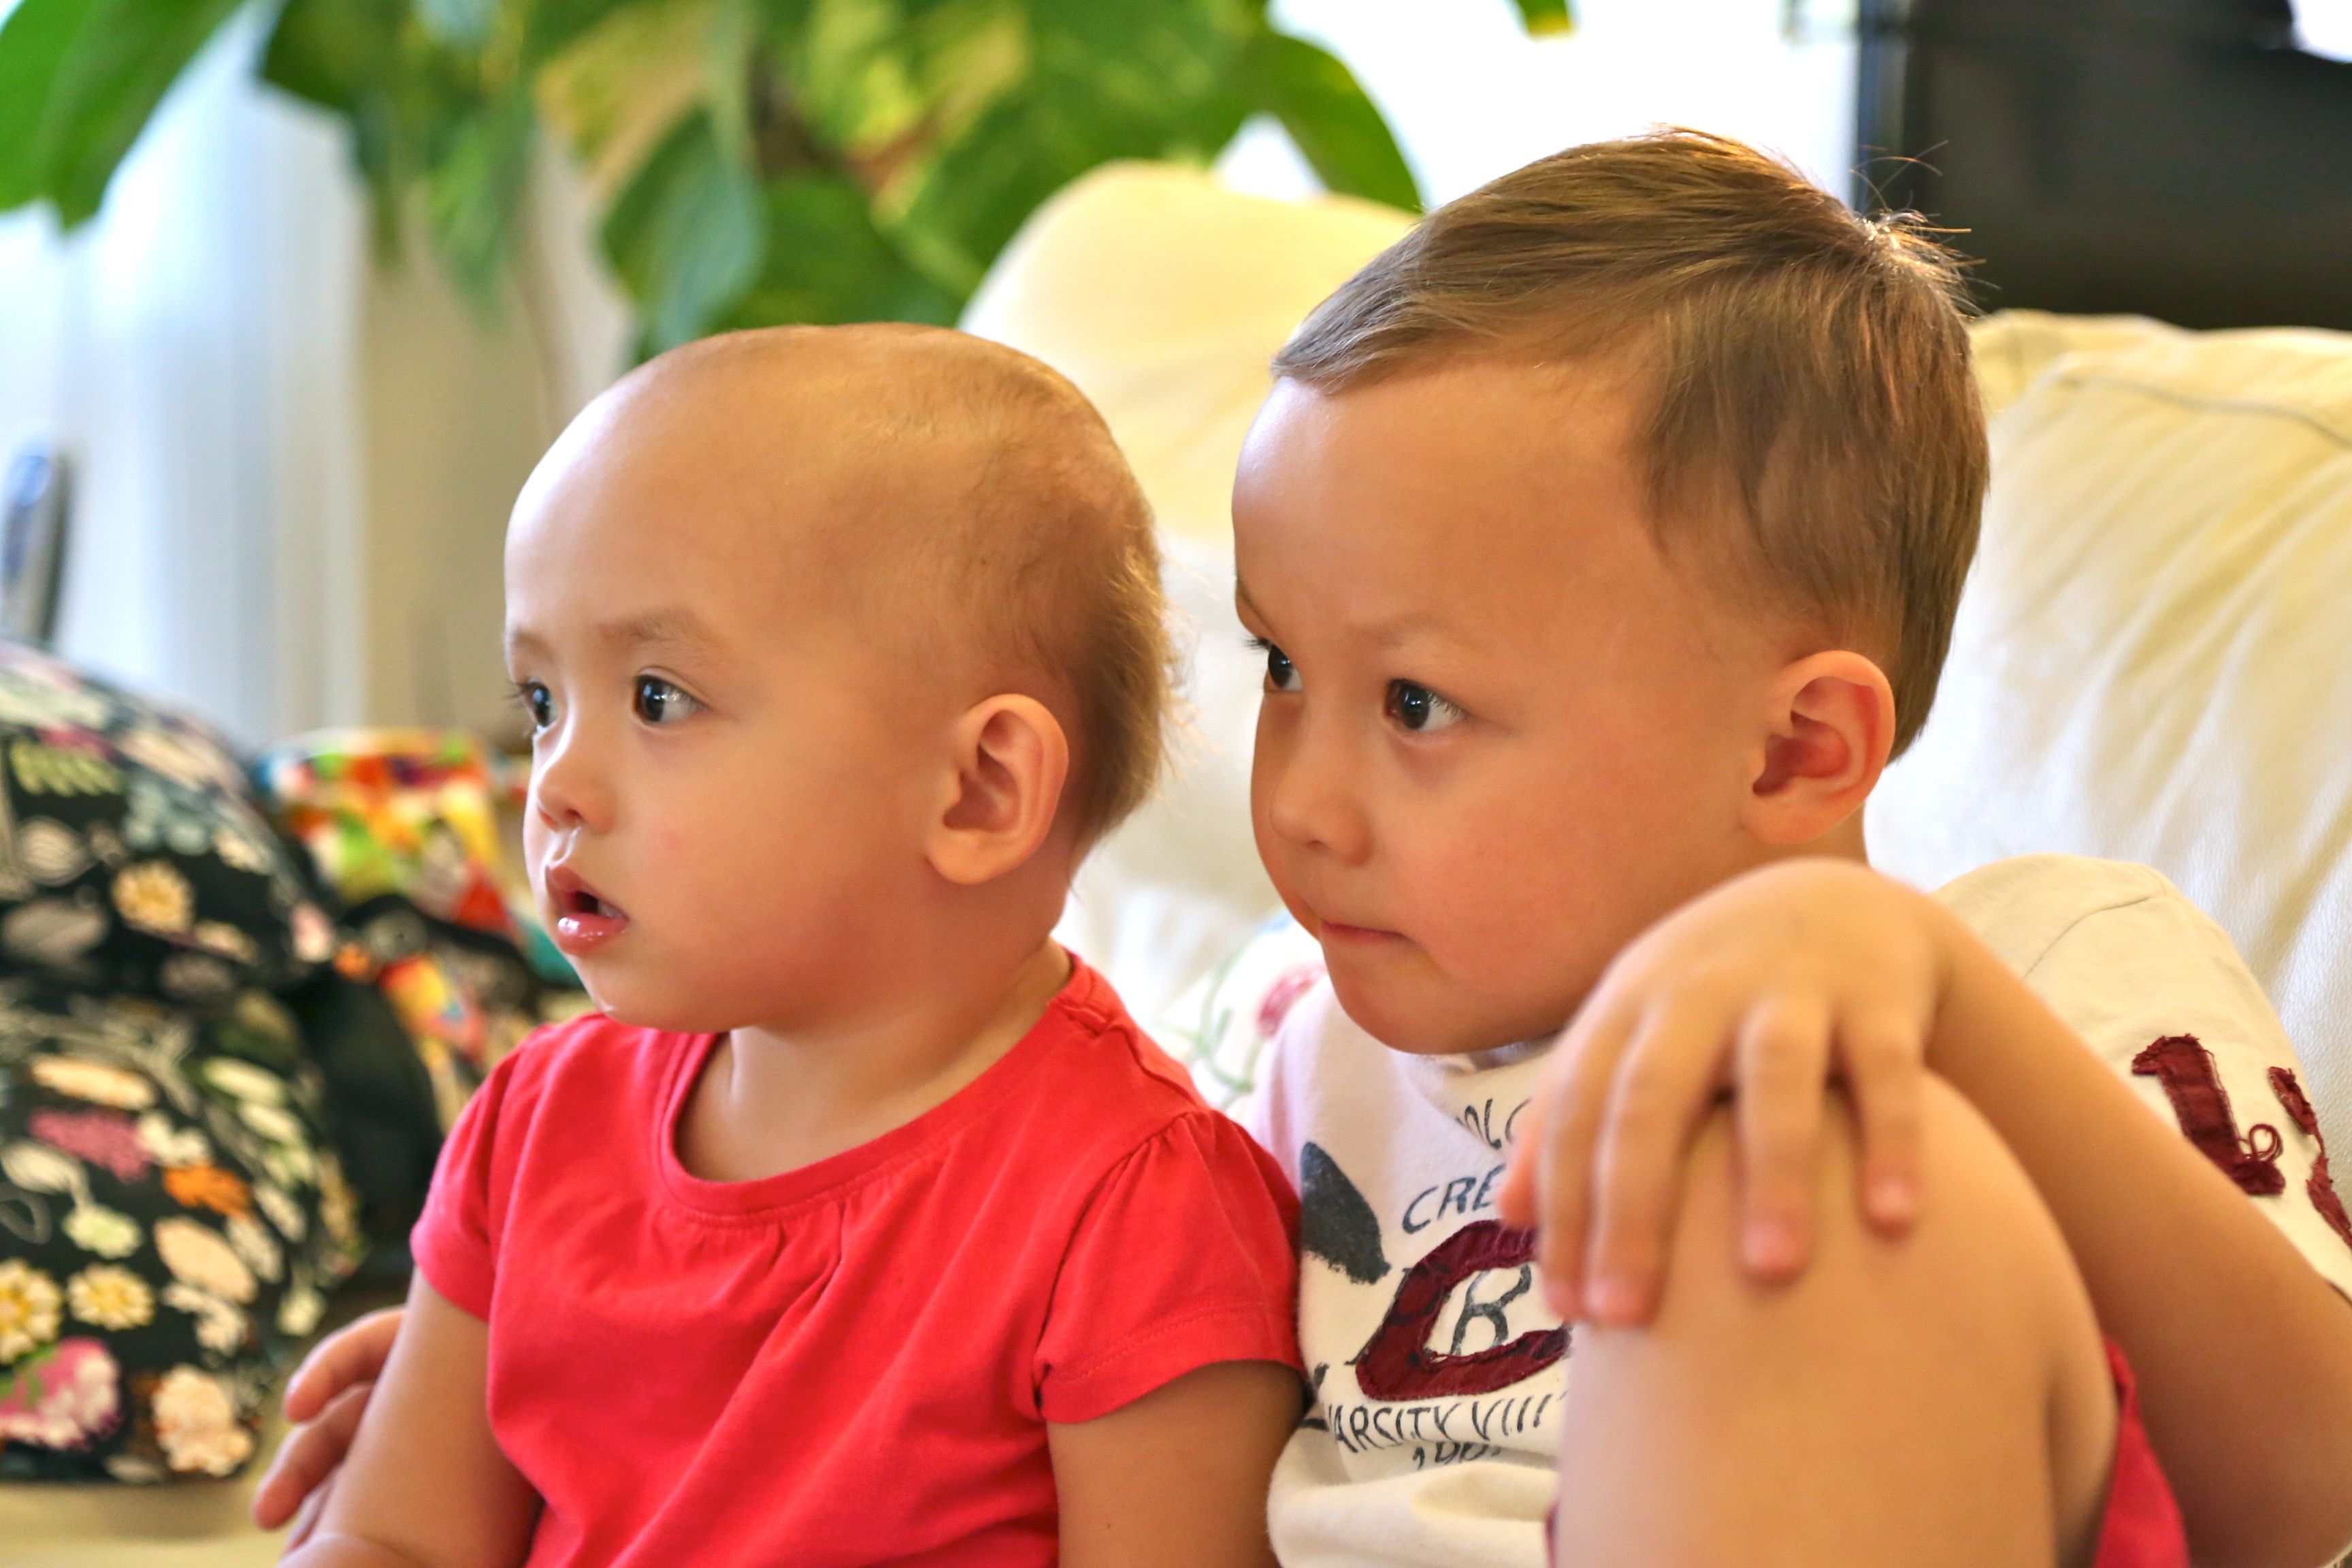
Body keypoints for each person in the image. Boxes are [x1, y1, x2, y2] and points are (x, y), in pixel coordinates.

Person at [263, 134, 2352, 1567]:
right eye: (1281, 669)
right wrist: (563, 1373)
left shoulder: (2044, 963)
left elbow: (2311, 1486)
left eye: (1417, 704)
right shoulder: (1287, 1053)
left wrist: (1927, 1006)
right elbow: (985, 1322)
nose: (1307, 800)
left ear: (1803, 746)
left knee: (1783, 1164)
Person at [269, 325, 1305, 1568]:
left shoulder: (1140, 1212)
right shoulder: (536, 1123)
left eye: (659, 698)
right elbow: (394, 1538)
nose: (555, 786)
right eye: (541, 702)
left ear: (979, 789)